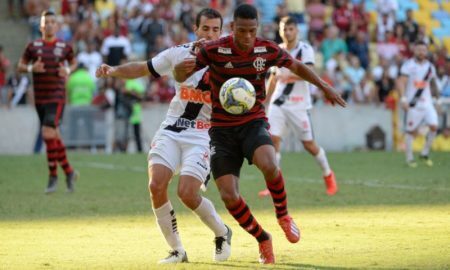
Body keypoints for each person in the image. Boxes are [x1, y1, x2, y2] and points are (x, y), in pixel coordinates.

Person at [175, 4, 346, 264]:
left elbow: (297, 66)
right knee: (229, 195)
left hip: (253, 121)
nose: (246, 36)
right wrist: (181, 66)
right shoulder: (214, 50)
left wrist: (324, 86)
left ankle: (283, 215)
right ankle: (262, 238)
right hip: (221, 130)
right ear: (233, 28)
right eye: (241, 31)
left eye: (251, 31)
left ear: (258, 28)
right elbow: (181, 73)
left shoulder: (267, 49)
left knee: (269, 162)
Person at [96, 8, 232, 264]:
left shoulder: (229, 61)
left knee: (187, 193)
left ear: (221, 31)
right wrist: (113, 70)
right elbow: (143, 68)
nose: (210, 34)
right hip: (172, 128)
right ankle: (177, 250)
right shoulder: (178, 53)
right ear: (196, 29)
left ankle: (222, 232)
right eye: (206, 28)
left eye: (216, 29)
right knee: (156, 185)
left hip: (203, 134)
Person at [258, 16, 337, 198]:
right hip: (279, 102)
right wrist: (265, 101)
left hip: (299, 104)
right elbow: (273, 78)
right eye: (284, 29)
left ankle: (328, 175)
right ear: (280, 31)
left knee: (309, 145)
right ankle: (273, 185)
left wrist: (286, 75)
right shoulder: (277, 50)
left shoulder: (305, 49)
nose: (287, 32)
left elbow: (308, 73)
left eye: (291, 29)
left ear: (297, 31)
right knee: (273, 141)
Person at [18, 10, 79, 193]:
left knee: (46, 132)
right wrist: (30, 67)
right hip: (40, 98)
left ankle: (53, 177)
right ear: (41, 26)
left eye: (53, 21)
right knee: (54, 135)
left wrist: (67, 71)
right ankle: (69, 171)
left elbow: (74, 63)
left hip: (57, 96)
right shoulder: (32, 46)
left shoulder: (65, 46)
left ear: (57, 26)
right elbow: (20, 66)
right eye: (47, 22)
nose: (51, 24)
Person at [398, 41, 439, 167]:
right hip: (413, 104)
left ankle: (424, 153)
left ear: (426, 52)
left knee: (434, 126)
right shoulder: (408, 65)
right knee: (411, 131)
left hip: (427, 103)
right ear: (414, 50)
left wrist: (436, 99)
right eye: (419, 49)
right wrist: (403, 99)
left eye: (423, 50)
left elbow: (432, 84)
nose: (421, 52)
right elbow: (401, 82)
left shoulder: (430, 67)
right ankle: (410, 158)